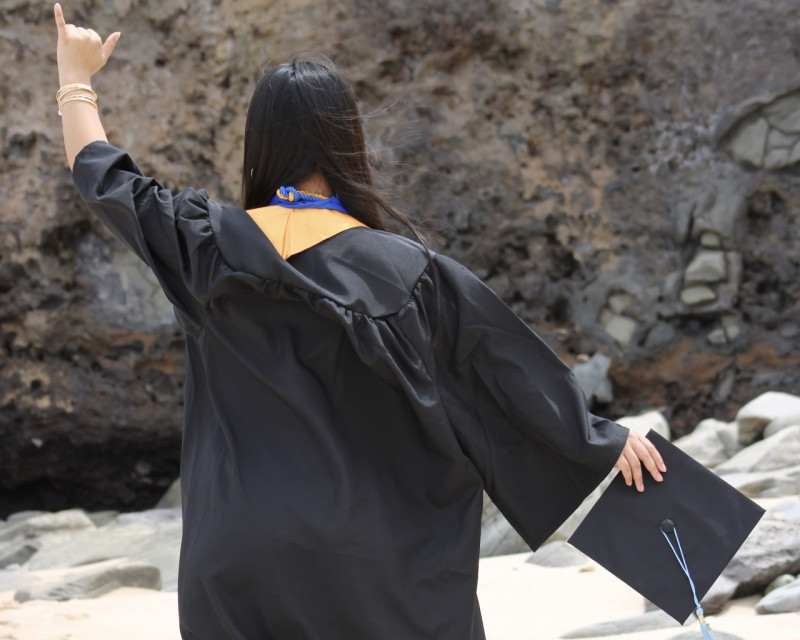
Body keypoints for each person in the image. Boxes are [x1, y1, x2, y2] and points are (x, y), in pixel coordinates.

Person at [53, 3, 666, 638]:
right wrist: (600, 441)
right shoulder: (411, 274)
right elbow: (504, 377)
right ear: (347, 139)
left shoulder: (202, 244)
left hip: (238, 556)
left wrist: (77, 76)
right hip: (378, 562)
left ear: (258, 145)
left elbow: (101, 174)